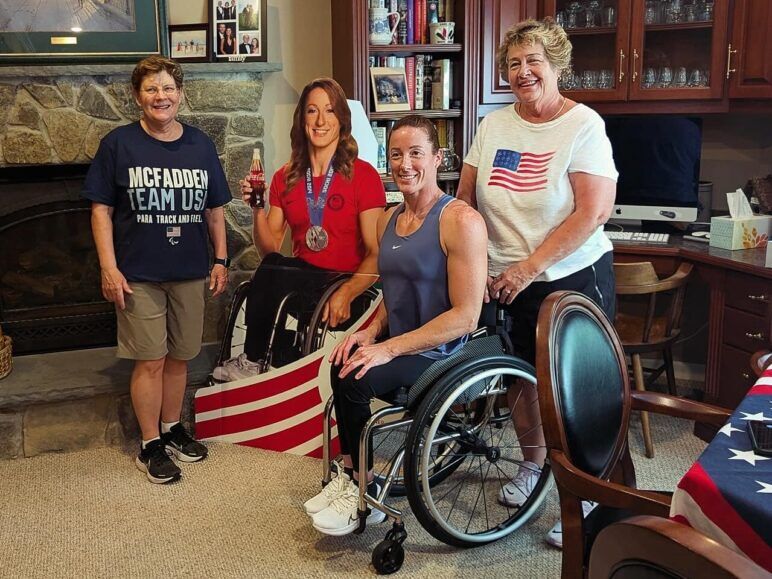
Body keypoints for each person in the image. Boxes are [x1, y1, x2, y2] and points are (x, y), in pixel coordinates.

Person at [457, 18, 618, 549]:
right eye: (513, 64)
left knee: (575, 390)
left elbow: (591, 213)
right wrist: (476, 269)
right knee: (520, 380)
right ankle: (532, 467)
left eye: (533, 62)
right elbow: (466, 203)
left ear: (556, 65)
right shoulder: (494, 126)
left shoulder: (583, 126)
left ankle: (589, 489)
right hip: (505, 279)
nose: (523, 73)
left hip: (569, 276)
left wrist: (528, 268)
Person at [304, 115, 488, 536]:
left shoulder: (460, 221)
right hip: (404, 343)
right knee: (343, 361)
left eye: (416, 153)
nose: (405, 164)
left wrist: (388, 348)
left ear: (438, 159)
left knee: (355, 380)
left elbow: (466, 316)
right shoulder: (389, 218)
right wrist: (370, 333)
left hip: (445, 353)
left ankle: (359, 491)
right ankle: (350, 476)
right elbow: (396, 290)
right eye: (397, 154)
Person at [82, 56, 230, 484]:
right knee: (150, 359)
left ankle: (172, 428)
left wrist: (220, 260)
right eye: (150, 90)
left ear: (180, 94)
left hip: (188, 271)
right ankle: (149, 444)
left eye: (167, 88)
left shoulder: (200, 145)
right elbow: (100, 211)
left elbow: (214, 211)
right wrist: (109, 268)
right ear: (137, 97)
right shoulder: (118, 145)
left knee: (181, 357)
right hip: (138, 275)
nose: (160, 97)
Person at [212, 78, 386, 381]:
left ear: (342, 121)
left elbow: (376, 253)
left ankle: (254, 359)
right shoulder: (286, 177)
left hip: (347, 283)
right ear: (301, 119)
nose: (320, 121)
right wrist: (257, 208)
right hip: (303, 281)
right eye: (312, 111)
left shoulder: (364, 176)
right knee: (272, 266)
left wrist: (346, 292)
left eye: (329, 111)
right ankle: (260, 360)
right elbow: (270, 251)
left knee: (277, 270)